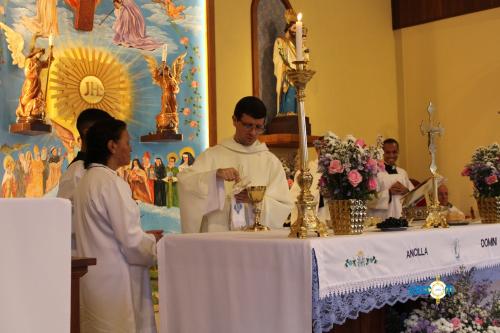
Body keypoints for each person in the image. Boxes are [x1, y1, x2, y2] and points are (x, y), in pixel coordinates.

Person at [74, 119, 158, 333]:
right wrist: (154, 244)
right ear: (112, 146)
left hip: (93, 281)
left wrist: (143, 236)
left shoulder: (87, 180)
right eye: (127, 142)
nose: (131, 148)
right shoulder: (111, 183)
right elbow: (131, 242)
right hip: (116, 284)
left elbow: (107, 232)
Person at [178, 96, 293, 232]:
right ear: (234, 120)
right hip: (218, 237)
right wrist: (214, 176)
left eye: (258, 127)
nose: (253, 132)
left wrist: (256, 200)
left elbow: (283, 206)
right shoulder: (212, 155)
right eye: (247, 125)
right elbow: (185, 182)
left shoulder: (270, 162)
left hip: (256, 242)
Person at [57, 108, 113, 253]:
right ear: (88, 133)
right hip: (84, 256)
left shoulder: (97, 170)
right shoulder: (77, 171)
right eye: (106, 133)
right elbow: (66, 222)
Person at [273, 9, 308, 115]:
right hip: (288, 73)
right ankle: (287, 111)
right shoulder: (281, 41)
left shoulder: (297, 45)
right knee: (289, 91)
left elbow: (304, 60)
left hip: (297, 74)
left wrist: (303, 46)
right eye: (294, 28)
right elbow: (280, 58)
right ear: (288, 29)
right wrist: (289, 68)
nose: (296, 31)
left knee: (297, 93)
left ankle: (297, 112)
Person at [368, 138, 414, 219]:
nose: (391, 155)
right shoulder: (375, 172)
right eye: (388, 152)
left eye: (394, 152)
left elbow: (414, 197)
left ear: (398, 152)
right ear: (382, 153)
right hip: (383, 219)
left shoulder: (402, 173)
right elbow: (369, 200)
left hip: (401, 218)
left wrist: (406, 191)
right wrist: (389, 193)